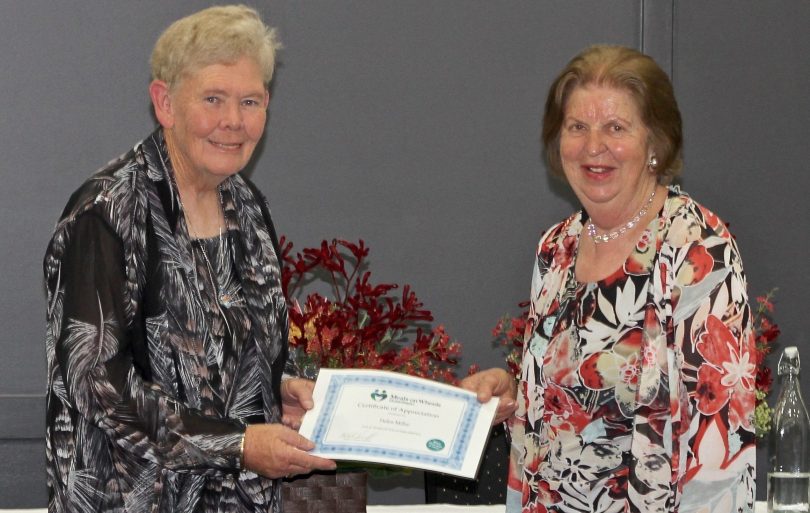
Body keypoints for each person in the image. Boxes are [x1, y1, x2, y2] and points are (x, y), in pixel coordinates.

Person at [43, 6, 336, 512]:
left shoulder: (247, 205)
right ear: (165, 103)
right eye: (213, 99)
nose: (233, 121)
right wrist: (239, 444)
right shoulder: (107, 214)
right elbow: (99, 389)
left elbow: (226, 358)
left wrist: (275, 388)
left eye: (249, 101)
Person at [463, 45, 755, 512]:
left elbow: (718, 447)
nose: (593, 146)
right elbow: (570, 407)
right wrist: (517, 395)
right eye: (577, 127)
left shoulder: (697, 250)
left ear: (655, 143)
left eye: (616, 128)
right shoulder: (556, 249)